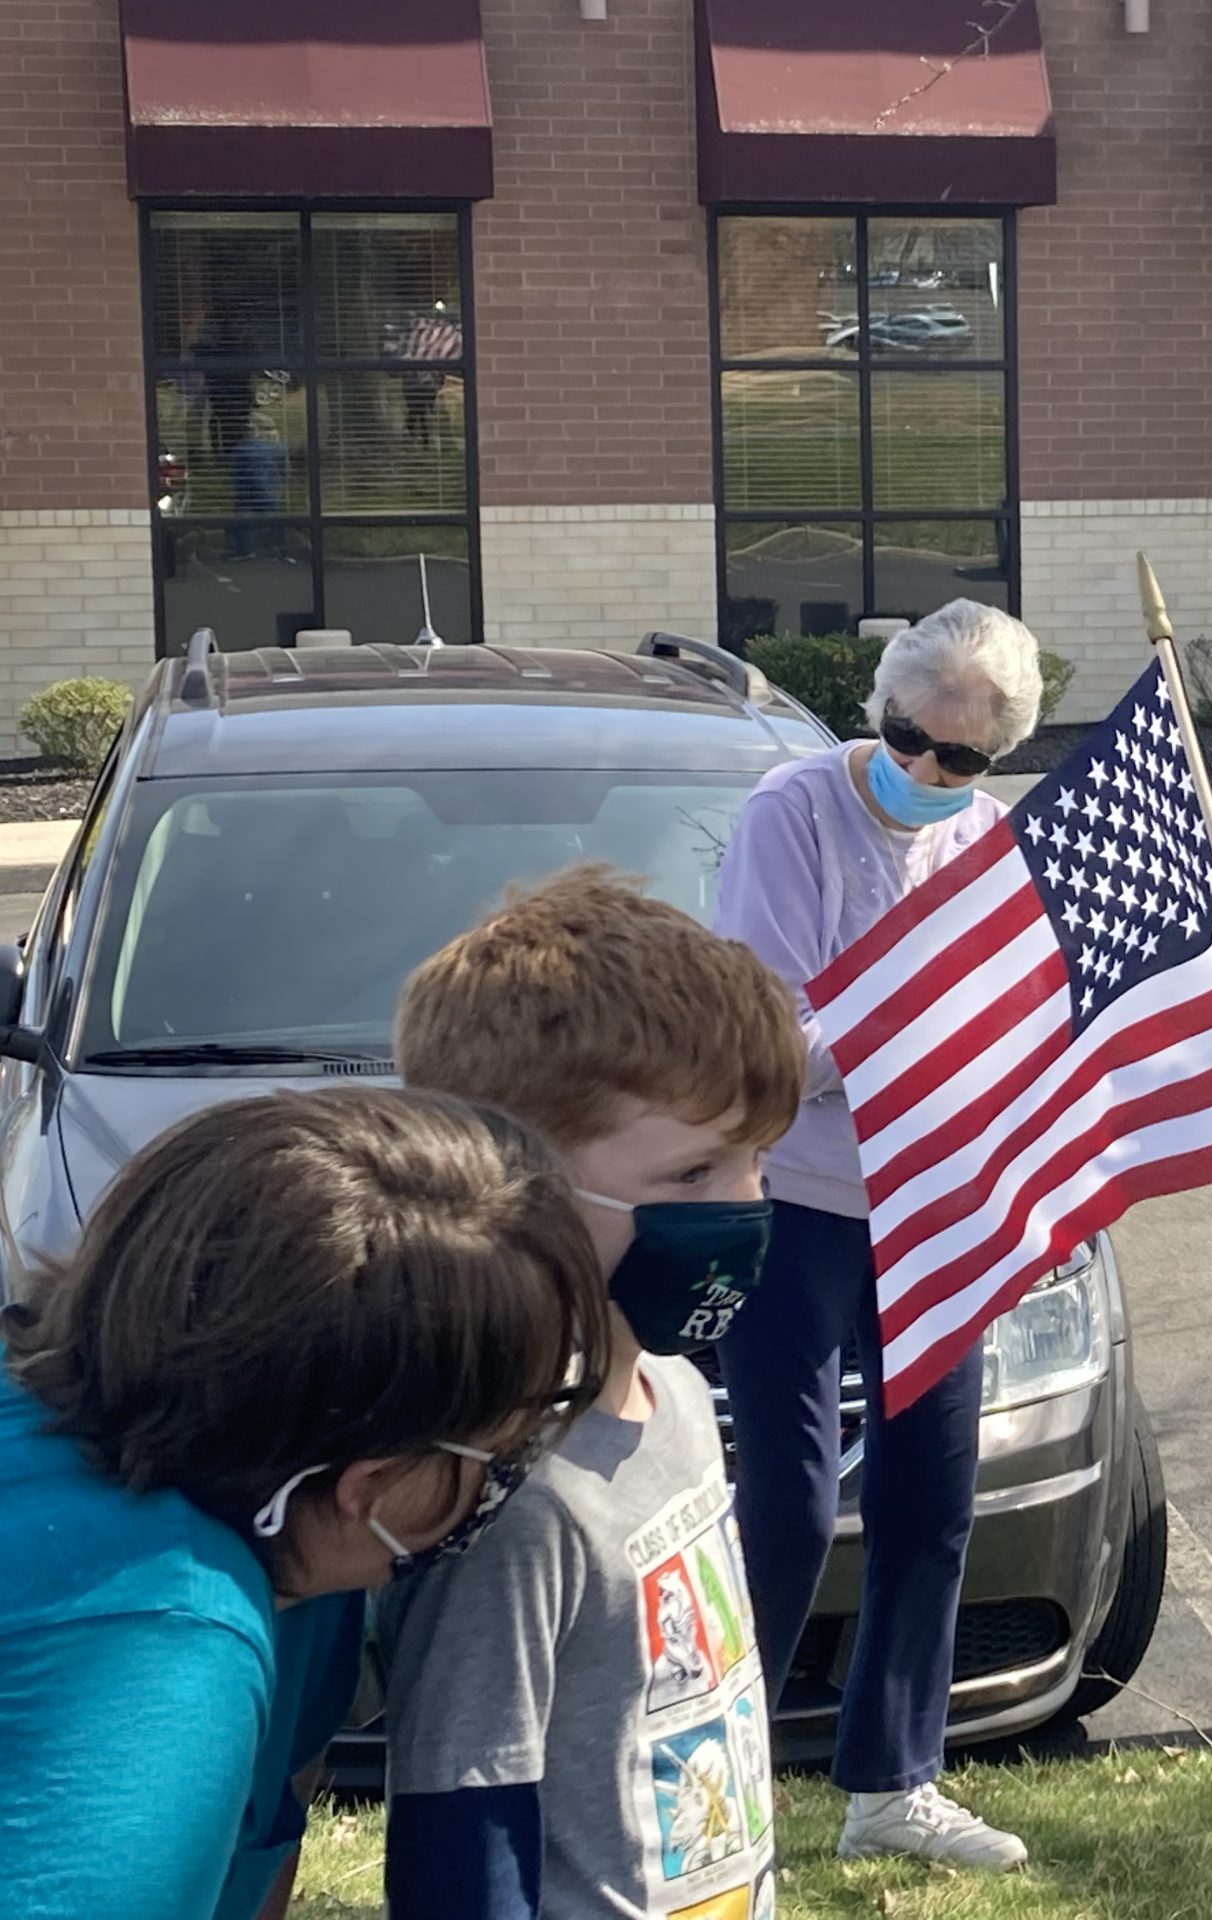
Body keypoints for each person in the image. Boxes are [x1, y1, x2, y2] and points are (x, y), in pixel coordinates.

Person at [0, 1088, 608, 1920]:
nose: (518, 1470)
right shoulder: (165, 1653)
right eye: (506, 1445)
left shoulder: (282, 1548)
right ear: (370, 1486)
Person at [378, 867, 804, 1920]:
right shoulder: (508, 1506)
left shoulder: (681, 1399)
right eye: (694, 1176)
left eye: (756, 1161)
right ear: (510, 1183)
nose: (746, 1205)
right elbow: (460, 1835)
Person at [711, 598, 1046, 1870]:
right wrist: (914, 1029)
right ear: (878, 707)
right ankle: (716, 1774)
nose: (926, 773)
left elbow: (1023, 1028)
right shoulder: (790, 813)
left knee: (930, 1500)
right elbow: (767, 1039)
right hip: (793, 1198)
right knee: (786, 1503)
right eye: (910, 737)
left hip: (937, 1204)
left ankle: (892, 1788)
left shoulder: (994, 844)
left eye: (961, 758)